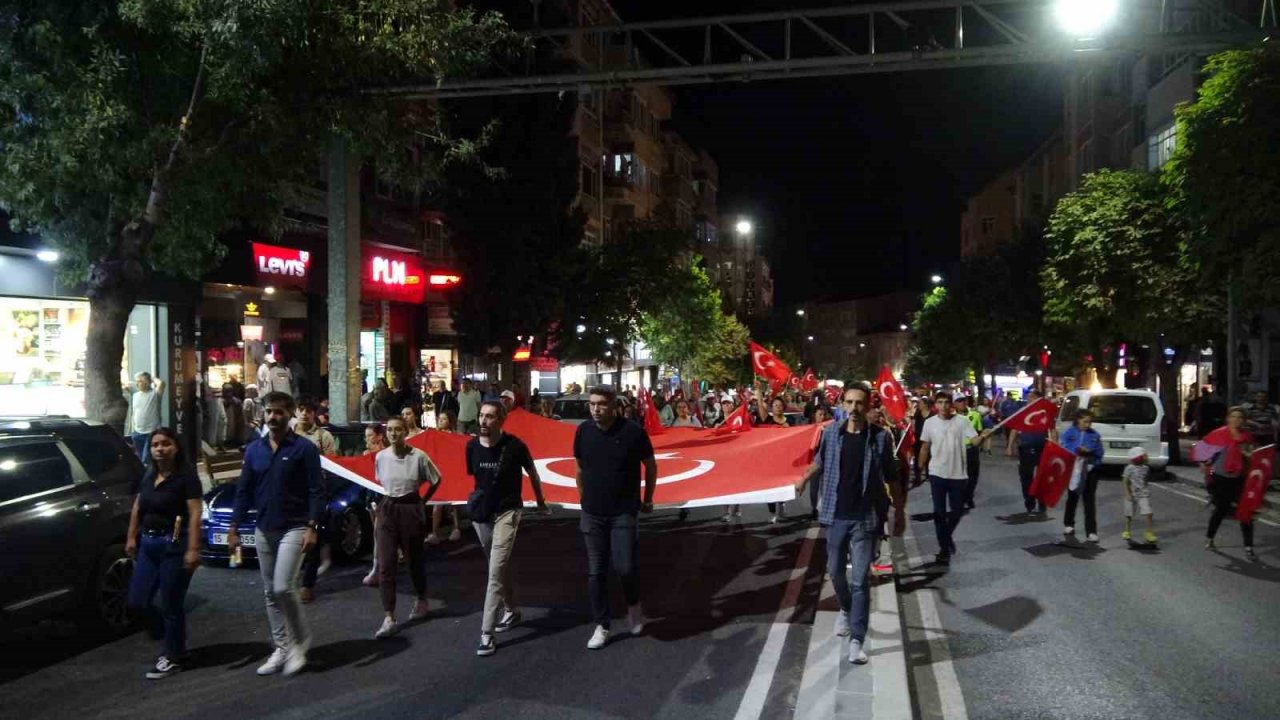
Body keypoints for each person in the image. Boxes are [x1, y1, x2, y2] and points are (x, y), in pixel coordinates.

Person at [794, 383, 899, 665]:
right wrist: (804, 478)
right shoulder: (830, 434)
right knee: (835, 573)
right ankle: (845, 608)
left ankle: (856, 639)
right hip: (835, 516)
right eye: (849, 402)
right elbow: (819, 461)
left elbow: (892, 476)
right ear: (842, 405)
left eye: (859, 403)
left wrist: (898, 513)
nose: (854, 408)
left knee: (860, 581)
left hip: (865, 519)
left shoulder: (880, 438)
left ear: (868, 406)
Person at [228, 391, 323, 677]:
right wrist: (233, 527)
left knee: (283, 587)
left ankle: (300, 641)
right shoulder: (254, 450)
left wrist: (312, 526)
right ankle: (282, 647)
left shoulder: (304, 449)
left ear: (290, 413)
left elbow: (316, 490)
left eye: (279, 412)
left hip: (294, 527)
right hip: (263, 527)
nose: (272, 417)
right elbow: (244, 491)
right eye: (269, 411)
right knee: (270, 592)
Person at [574, 385, 658, 649]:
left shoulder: (633, 432)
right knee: (595, 573)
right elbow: (579, 467)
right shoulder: (583, 431)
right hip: (593, 514)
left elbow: (651, 465)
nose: (595, 409)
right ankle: (603, 625)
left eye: (601, 404)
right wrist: (583, 498)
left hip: (623, 512)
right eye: (591, 404)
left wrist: (647, 499)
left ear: (614, 405)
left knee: (625, 567)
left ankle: (634, 606)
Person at [468, 401, 549, 656]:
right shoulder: (471, 447)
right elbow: (476, 480)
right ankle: (512, 610)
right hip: (482, 515)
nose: (483, 421)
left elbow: (533, 473)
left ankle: (486, 634)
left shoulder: (515, 446)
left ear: (501, 420)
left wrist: (540, 501)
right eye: (481, 416)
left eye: (489, 417)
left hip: (508, 512)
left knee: (494, 572)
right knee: (498, 567)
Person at [125, 427, 202, 679]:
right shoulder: (148, 475)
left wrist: (192, 549)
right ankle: (171, 640)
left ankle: (172, 655)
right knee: (137, 600)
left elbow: (195, 514)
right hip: (148, 545)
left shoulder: (186, 477)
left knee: (171, 602)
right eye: (156, 444)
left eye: (165, 444)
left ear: (176, 447)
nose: (160, 449)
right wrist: (131, 537)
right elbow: (138, 507)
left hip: (174, 545)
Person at [371, 416, 442, 638]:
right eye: (390, 430)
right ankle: (389, 616)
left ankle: (421, 598)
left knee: (414, 560)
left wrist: (422, 501)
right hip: (388, 509)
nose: (394, 434)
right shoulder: (381, 457)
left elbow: (436, 479)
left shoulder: (418, 456)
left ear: (405, 432)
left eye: (398, 430)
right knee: (386, 564)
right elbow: (380, 482)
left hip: (410, 508)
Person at [919, 391, 994, 564]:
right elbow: (924, 447)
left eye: (947, 402)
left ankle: (945, 536)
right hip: (937, 473)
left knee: (957, 511)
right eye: (940, 402)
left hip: (958, 474)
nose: (944, 406)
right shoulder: (929, 423)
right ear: (935, 405)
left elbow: (974, 441)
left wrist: (984, 436)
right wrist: (920, 469)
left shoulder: (962, 421)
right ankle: (944, 548)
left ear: (951, 404)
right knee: (939, 512)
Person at [294, 398, 337, 604]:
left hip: (314, 493)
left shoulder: (323, 436)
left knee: (312, 538)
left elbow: (331, 464)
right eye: (301, 409)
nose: (304, 413)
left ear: (313, 414)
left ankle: (307, 584)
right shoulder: (289, 434)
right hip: (291, 494)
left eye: (308, 410)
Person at [1203, 407, 1257, 560]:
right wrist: (1207, 465)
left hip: (1240, 478)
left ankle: (1248, 547)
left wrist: (1248, 455)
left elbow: (1252, 455)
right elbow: (1202, 449)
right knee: (1220, 511)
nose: (1237, 420)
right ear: (1228, 418)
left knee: (1246, 513)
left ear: (1243, 420)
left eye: (1240, 417)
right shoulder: (1219, 433)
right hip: (1221, 478)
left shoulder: (1247, 437)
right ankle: (1210, 538)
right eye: (1233, 416)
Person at [1060, 409, 1104, 542]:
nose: (1088, 424)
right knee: (1072, 497)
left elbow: (1100, 452)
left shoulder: (1094, 435)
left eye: (1090, 422)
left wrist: (1092, 456)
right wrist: (1077, 450)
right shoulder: (1069, 433)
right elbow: (1064, 448)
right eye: (1085, 421)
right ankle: (1068, 524)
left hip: (1090, 470)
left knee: (1089, 500)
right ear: (1078, 420)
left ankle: (1091, 531)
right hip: (1074, 470)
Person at [1007, 390, 1052, 515]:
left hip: (1042, 449)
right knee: (1026, 478)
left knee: (1042, 478)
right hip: (1026, 450)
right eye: (1029, 398)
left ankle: (1042, 503)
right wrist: (1010, 446)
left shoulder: (1045, 413)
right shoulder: (1023, 413)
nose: (1029, 400)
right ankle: (1030, 503)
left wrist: (1055, 445)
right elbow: (1015, 430)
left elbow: (1052, 430)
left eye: (1032, 398)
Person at [428, 411, 464, 545]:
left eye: (444, 419)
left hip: (451, 472)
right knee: (437, 504)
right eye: (440, 418)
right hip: (438, 472)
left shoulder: (454, 436)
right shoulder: (434, 435)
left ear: (450, 421)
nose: (441, 421)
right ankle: (434, 532)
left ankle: (456, 528)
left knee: (453, 503)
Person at [361, 424, 390, 588]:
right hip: (371, 495)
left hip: (383, 496)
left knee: (380, 532)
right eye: (366, 436)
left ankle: (377, 569)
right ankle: (380, 567)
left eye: (370, 435)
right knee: (376, 532)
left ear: (379, 436)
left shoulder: (387, 453)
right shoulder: (366, 454)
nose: (367, 439)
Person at [1121, 446, 1157, 544]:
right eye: (1144, 456)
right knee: (1129, 515)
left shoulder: (1146, 468)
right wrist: (1127, 493)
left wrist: (1146, 489)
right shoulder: (1129, 468)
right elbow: (1125, 481)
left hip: (1142, 494)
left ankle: (1149, 533)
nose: (1146, 457)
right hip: (1131, 494)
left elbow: (1145, 480)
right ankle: (1127, 530)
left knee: (1149, 513)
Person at [128, 372, 165, 462]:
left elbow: (161, 383)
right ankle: (146, 475)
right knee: (140, 459)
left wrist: (151, 378)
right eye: (136, 381)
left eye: (140, 381)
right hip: (137, 433)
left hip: (151, 432)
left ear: (147, 382)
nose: (137, 383)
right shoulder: (135, 395)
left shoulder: (155, 394)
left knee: (146, 459)